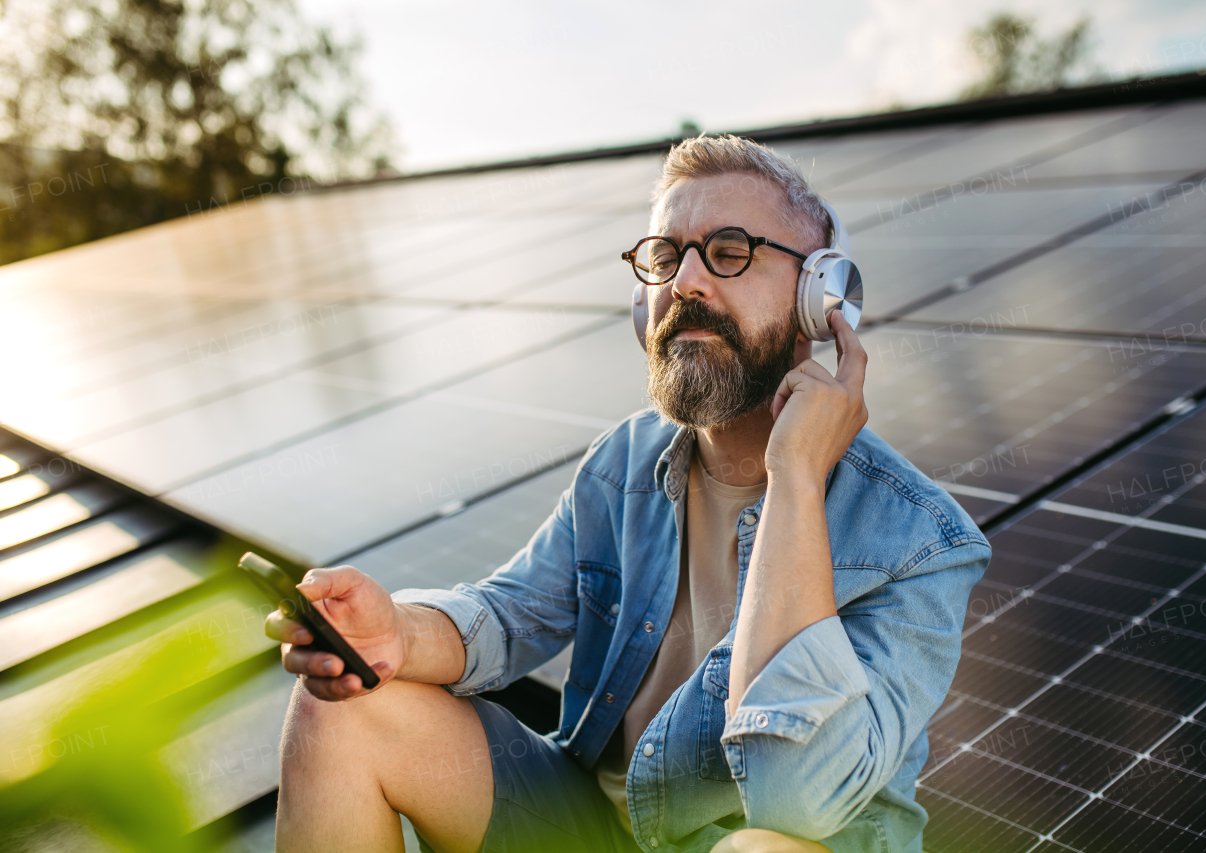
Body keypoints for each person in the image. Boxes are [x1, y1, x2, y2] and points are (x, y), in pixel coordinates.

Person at [264, 134, 990, 853]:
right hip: (595, 828)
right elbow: (511, 613)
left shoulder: (922, 544)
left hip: (755, 843)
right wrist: (395, 632)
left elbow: (793, 796)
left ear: (820, 297)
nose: (687, 283)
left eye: (730, 251)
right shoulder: (622, 463)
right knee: (346, 708)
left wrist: (795, 476)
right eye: (665, 258)